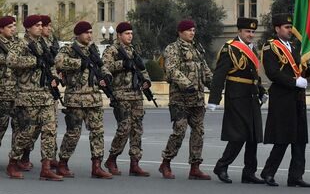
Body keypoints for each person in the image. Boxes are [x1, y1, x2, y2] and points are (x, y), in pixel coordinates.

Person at [208, 18, 266, 185]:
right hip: (237, 97)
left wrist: (261, 91)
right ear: (239, 31)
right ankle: (222, 166)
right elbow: (219, 75)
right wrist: (214, 98)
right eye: (248, 31)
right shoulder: (230, 48)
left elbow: (253, 75)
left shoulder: (251, 49)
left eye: (253, 32)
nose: (251, 35)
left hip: (252, 97)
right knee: (238, 135)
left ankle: (249, 172)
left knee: (253, 136)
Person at [260, 13, 310, 188]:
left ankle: (296, 176)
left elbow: (302, 72)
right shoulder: (270, 47)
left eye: (291, 27)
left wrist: (309, 65)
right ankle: (268, 172)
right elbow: (272, 72)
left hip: (297, 97)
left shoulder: (294, 47)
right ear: (277, 29)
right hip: (282, 97)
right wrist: (294, 82)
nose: (290, 30)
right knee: (282, 138)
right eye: (287, 27)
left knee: (300, 139)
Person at [6, 15, 62, 181]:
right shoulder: (20, 44)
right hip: (28, 95)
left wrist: (54, 77)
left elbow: (49, 64)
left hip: (45, 95)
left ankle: (46, 167)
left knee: (50, 131)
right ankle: (12, 162)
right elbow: (11, 61)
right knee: (27, 133)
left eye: (40, 25)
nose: (40, 27)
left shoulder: (43, 44)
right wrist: (33, 61)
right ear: (28, 28)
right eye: (36, 25)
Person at [55, 21, 112, 179]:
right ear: (78, 34)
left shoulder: (93, 50)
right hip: (76, 99)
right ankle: (63, 163)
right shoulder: (68, 49)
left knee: (98, 132)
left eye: (91, 32)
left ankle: (97, 166)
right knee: (73, 133)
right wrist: (80, 63)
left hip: (93, 98)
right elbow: (58, 62)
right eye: (86, 32)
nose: (89, 35)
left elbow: (101, 66)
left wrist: (107, 75)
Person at [158, 19, 212, 180]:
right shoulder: (172, 48)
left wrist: (214, 83)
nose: (192, 33)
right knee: (179, 132)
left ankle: (195, 167)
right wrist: (186, 84)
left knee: (198, 132)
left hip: (197, 98)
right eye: (188, 30)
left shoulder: (197, 48)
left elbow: (204, 68)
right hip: (180, 99)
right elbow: (172, 70)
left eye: (193, 30)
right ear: (180, 32)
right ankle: (165, 163)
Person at [102, 22, 152, 177]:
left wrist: (146, 81)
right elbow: (104, 67)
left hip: (136, 94)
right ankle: (112, 158)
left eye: (131, 33)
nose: (130, 36)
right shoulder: (112, 50)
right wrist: (122, 63)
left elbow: (142, 69)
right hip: (121, 94)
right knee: (124, 128)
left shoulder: (134, 51)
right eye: (126, 33)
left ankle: (135, 163)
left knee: (137, 129)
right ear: (119, 35)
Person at [0, 17, 20, 165]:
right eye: (9, 26)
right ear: (1, 29)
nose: (13, 28)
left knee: (19, 126)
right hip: (2, 92)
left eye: (14, 26)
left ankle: (15, 159)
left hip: (18, 92)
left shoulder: (17, 43)